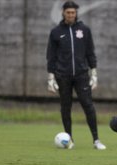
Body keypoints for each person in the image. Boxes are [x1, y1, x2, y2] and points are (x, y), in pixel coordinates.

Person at [46, 1, 106, 150]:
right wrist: (51, 78)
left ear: (76, 13)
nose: (71, 15)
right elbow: (51, 56)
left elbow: (90, 53)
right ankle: (68, 140)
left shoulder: (84, 30)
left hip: (81, 75)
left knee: (88, 105)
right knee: (65, 107)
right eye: (68, 13)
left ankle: (96, 140)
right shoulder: (56, 32)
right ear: (63, 13)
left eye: (73, 13)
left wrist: (94, 74)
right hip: (62, 75)